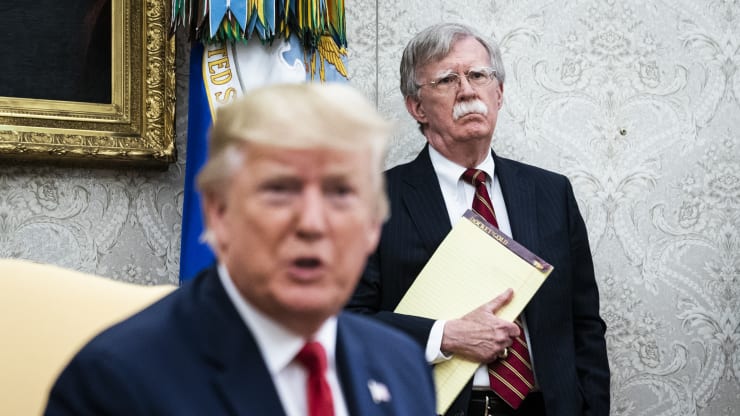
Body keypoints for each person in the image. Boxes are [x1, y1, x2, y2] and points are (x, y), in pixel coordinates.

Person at [45, 83, 437, 415]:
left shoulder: (401, 366)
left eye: (341, 193)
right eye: (280, 190)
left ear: (372, 225)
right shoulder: (114, 383)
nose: (312, 223)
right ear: (218, 213)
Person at [347, 22, 610, 416]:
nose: (467, 90)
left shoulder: (551, 192)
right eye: (447, 79)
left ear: (499, 93)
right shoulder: (373, 199)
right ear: (417, 107)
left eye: (478, 75)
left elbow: (584, 323)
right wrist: (443, 336)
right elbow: (345, 322)